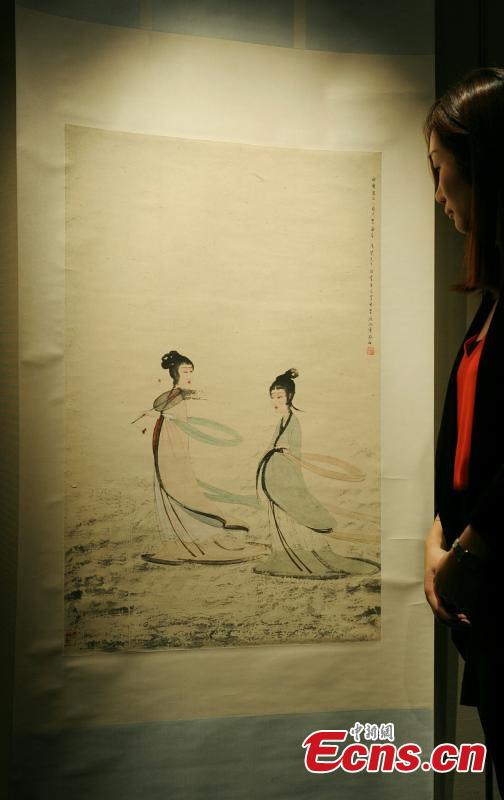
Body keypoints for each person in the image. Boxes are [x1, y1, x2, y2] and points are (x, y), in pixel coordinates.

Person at [423, 67, 504, 795]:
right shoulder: (492, 302)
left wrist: (468, 548)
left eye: (440, 169)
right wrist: (438, 534)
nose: (438, 192)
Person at [142, 350, 266, 565]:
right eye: (185, 371)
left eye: (191, 371)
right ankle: (175, 543)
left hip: (177, 452)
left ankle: (191, 541)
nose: (189, 375)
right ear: (175, 373)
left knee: (182, 491)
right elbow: (159, 407)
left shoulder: (182, 395)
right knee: (171, 490)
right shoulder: (175, 395)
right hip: (167, 451)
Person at [254, 368, 380, 579]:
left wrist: (284, 453)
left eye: (279, 396)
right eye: (272, 397)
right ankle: (285, 552)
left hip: (287, 477)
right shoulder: (281, 422)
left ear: (289, 396)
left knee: (294, 513)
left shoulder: (294, 422)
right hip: (276, 478)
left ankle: (301, 553)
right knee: (281, 515)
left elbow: (294, 451)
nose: (275, 401)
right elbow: (272, 446)